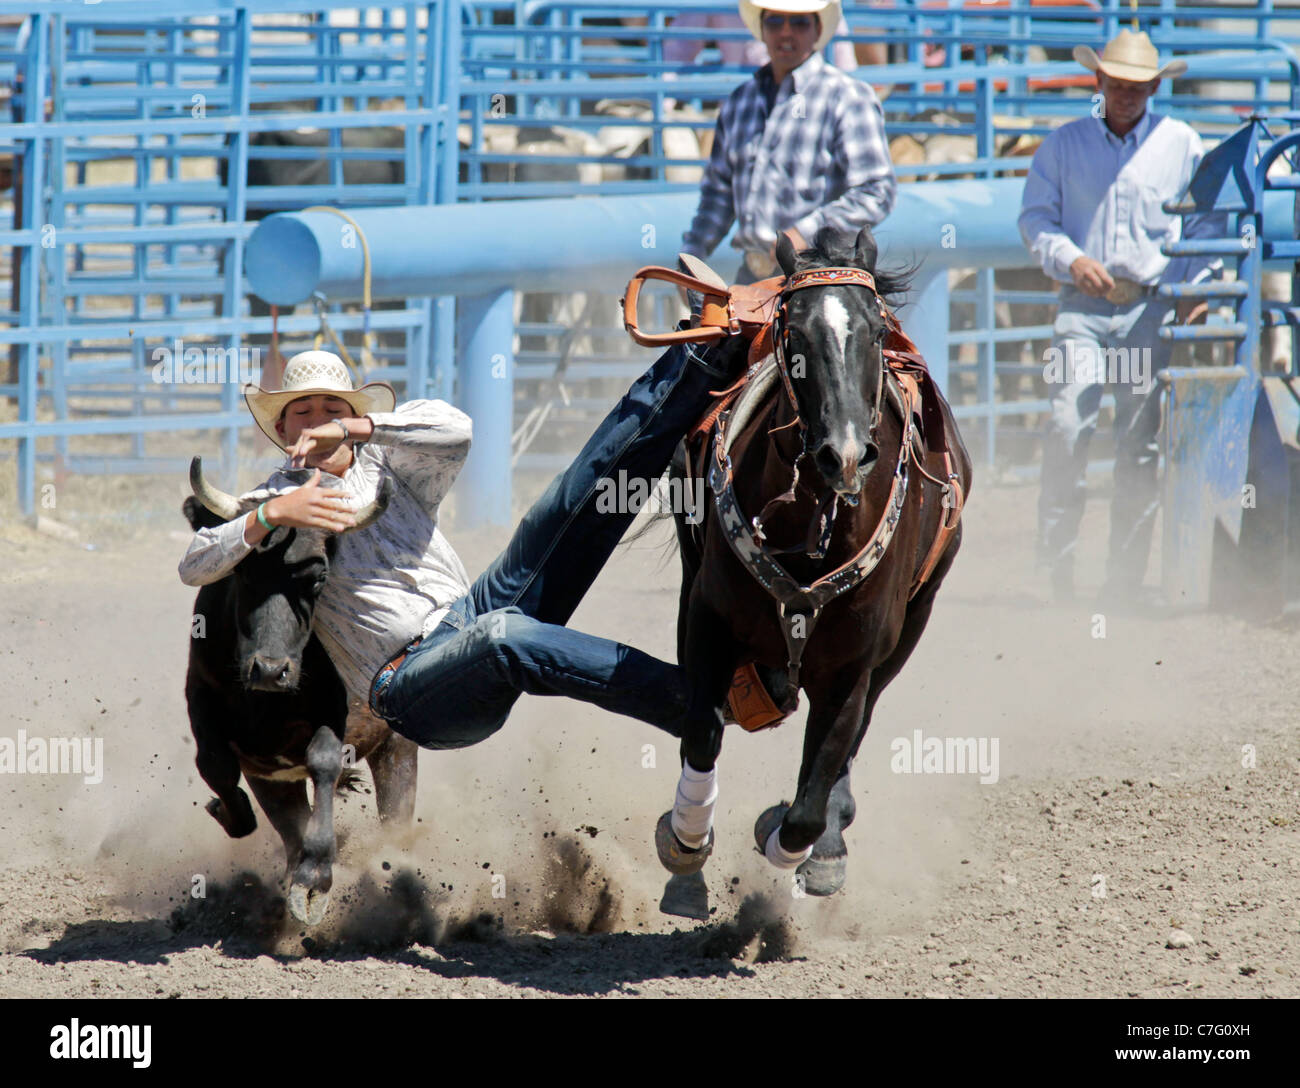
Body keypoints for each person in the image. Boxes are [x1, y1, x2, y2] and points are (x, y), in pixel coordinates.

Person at [179, 336, 747, 751]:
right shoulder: (271, 502)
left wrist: (360, 431)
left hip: (467, 613)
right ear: (284, 432)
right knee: (505, 637)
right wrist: (273, 513)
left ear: (354, 418)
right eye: (303, 412)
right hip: (409, 685)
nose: (318, 420)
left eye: (334, 410)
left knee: (571, 502)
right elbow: (195, 563)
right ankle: (698, 705)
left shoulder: (391, 463)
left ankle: (701, 359)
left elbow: (456, 428)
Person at [1017, 29, 1224, 606]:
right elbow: (1036, 220)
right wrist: (1071, 258)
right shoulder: (1064, 145)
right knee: (1066, 425)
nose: (1127, 93)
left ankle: (1123, 584)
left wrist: (1192, 287)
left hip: (1146, 311)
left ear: (1154, 86)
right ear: (1099, 81)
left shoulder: (1182, 144)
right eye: (1118, 82)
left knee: (1136, 444)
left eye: (1138, 85)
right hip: (1082, 310)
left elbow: (1208, 224)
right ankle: (1055, 572)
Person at [679, 0, 896, 284]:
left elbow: (876, 190)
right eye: (774, 21)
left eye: (799, 22)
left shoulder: (848, 98)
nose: (785, 32)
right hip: (755, 278)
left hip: (823, 282)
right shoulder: (739, 102)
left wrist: (805, 233)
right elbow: (718, 195)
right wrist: (692, 258)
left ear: (817, 29)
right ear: (761, 28)